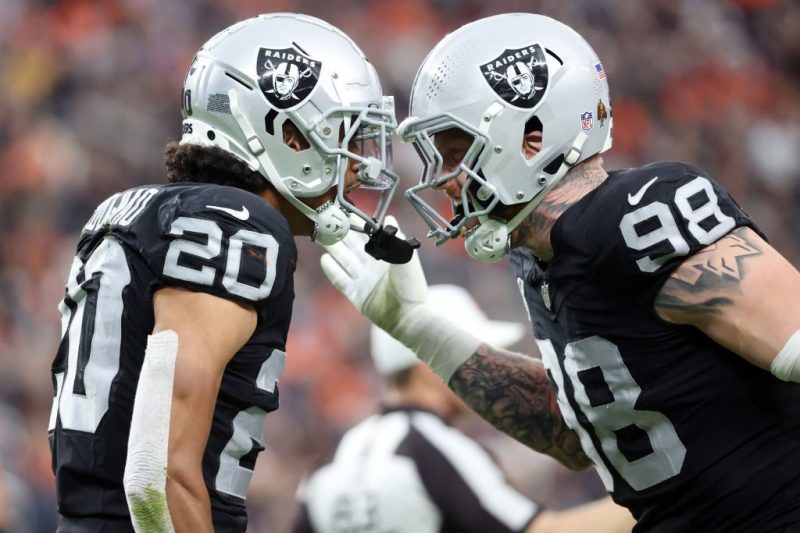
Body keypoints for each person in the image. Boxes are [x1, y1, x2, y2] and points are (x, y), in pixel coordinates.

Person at [321, 13, 800, 533]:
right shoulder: (539, 259)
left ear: (531, 140)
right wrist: (419, 328)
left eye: (456, 153)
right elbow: (578, 434)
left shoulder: (642, 211)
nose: (442, 180)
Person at [47, 13, 398, 533]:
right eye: (343, 136)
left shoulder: (130, 211)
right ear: (290, 136)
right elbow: (155, 473)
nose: (356, 167)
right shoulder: (236, 224)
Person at [293, 284, 634, 533]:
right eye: (469, 360)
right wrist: (652, 497)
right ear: (429, 365)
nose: (486, 373)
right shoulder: (433, 448)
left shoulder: (329, 463)